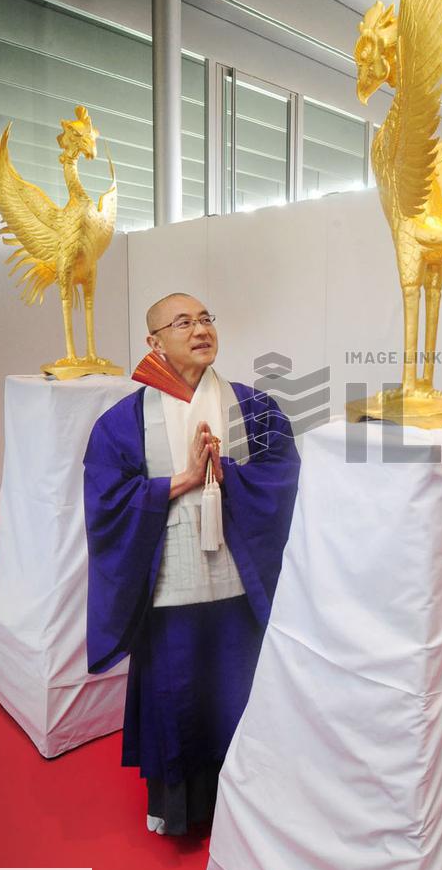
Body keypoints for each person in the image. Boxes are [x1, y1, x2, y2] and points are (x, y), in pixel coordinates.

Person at [84, 293, 300, 835]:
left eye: (206, 318)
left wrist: (228, 474)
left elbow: (287, 478)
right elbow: (105, 500)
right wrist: (180, 480)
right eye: (183, 322)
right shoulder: (123, 421)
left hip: (238, 578)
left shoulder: (255, 408)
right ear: (153, 342)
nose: (200, 328)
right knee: (176, 692)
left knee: (243, 689)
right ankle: (182, 811)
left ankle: (252, 806)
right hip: (170, 583)